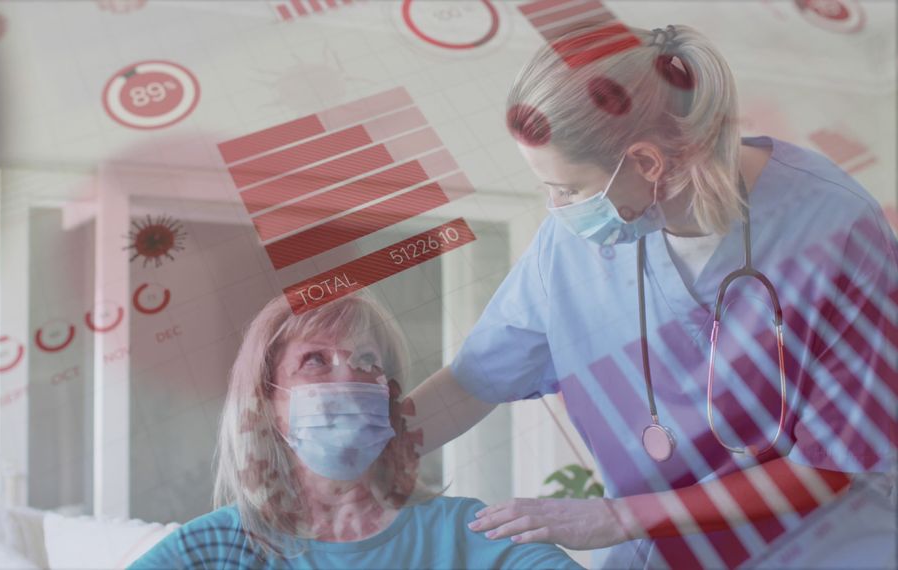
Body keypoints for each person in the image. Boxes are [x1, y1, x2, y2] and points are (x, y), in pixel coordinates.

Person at [405, 23, 897, 569]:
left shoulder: (834, 225)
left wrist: (620, 517)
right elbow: (472, 384)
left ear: (646, 163)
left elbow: (836, 461)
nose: (556, 209)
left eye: (569, 190)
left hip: (828, 551)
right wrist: (361, 445)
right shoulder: (569, 248)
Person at [128, 293, 582, 569]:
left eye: (367, 361)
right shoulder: (219, 546)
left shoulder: (463, 532)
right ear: (267, 405)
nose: (348, 379)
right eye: (316, 360)